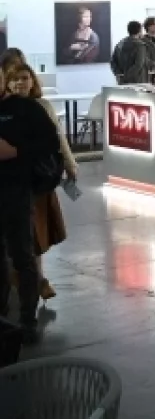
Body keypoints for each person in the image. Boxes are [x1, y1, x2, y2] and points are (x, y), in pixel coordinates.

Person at [5, 63, 77, 302]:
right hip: (13, 182)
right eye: (14, 78)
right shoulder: (6, 109)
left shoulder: (42, 106)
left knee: (36, 235)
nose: (20, 83)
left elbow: (57, 138)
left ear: (33, 80)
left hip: (38, 181)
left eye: (25, 78)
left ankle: (38, 280)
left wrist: (69, 163)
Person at [0, 75, 61, 343]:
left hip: (15, 193)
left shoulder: (25, 109)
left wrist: (16, 151)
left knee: (22, 256)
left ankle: (27, 321)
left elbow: (50, 143)